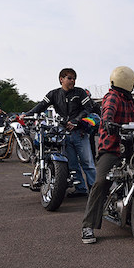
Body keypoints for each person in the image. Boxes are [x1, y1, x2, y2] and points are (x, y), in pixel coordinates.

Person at [81, 66, 134, 244]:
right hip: (112, 148)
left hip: (130, 147)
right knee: (100, 182)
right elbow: (107, 113)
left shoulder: (129, 100)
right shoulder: (112, 96)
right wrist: (108, 122)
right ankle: (88, 225)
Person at [26, 68, 96, 197]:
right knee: (72, 164)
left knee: (88, 163)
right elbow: (41, 106)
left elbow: (88, 108)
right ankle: (80, 189)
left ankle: (95, 191)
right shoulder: (54, 94)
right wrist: (26, 115)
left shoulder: (80, 92)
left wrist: (76, 120)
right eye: (69, 78)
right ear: (61, 79)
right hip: (63, 134)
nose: (72, 81)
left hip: (80, 132)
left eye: (74, 78)